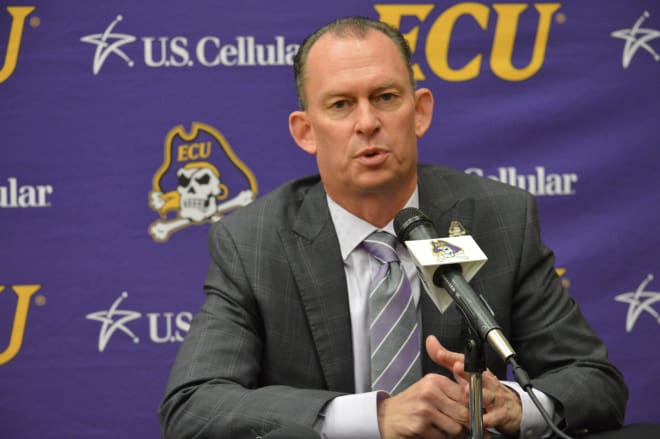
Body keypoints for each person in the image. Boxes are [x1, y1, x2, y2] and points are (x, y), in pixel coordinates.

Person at [159, 17, 629, 439]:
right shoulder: (253, 243)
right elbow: (193, 406)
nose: (368, 123)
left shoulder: (500, 218)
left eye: (385, 97)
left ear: (419, 111)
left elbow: (594, 380)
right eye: (341, 105)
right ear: (305, 131)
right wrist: (372, 418)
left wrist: (514, 405)